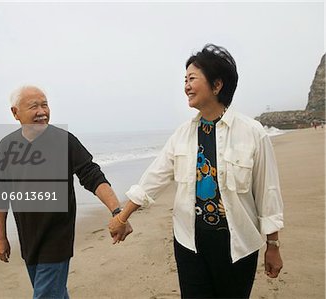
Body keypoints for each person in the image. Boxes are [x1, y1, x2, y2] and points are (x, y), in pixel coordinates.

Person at [109, 44, 284, 298]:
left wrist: (273, 245)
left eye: (192, 79)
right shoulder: (182, 135)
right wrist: (122, 217)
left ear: (216, 85)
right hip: (190, 243)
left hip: (237, 245)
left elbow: (268, 193)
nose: (186, 86)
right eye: (185, 80)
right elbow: (153, 178)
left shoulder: (253, 133)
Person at [0, 85, 132, 299]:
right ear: (15, 113)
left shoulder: (64, 141)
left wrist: (117, 212)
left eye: (45, 104)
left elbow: (92, 175)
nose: (42, 111)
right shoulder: (7, 146)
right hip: (28, 239)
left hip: (57, 237)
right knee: (55, 293)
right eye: (34, 106)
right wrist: (1, 237)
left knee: (46, 295)